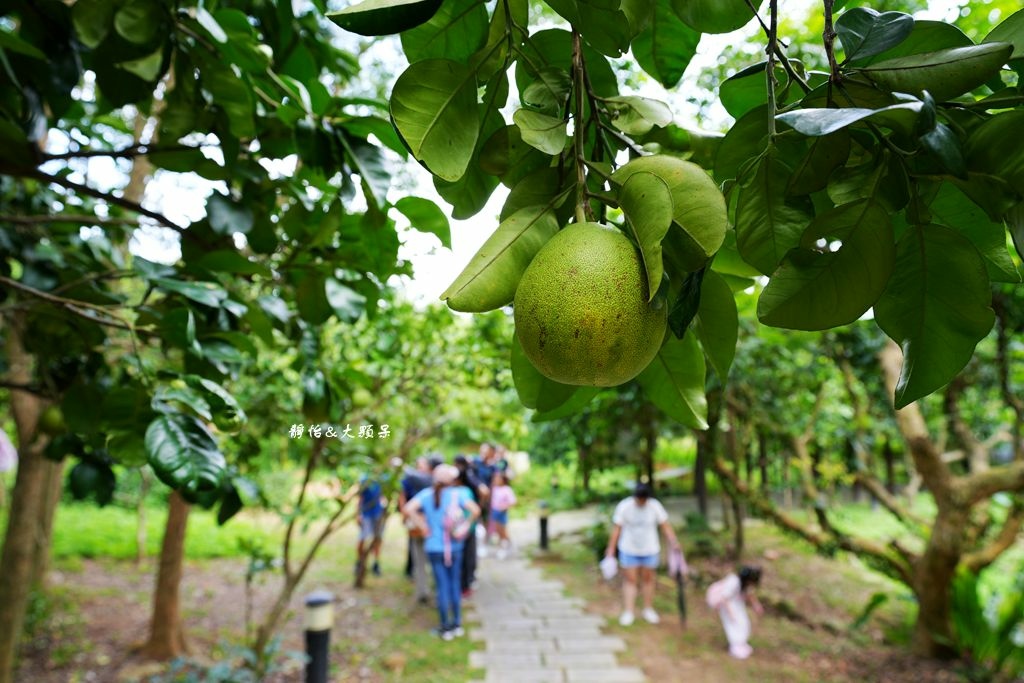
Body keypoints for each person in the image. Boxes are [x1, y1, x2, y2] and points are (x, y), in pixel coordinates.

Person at [404, 464, 481, 640]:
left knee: (442, 586)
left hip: (434, 547)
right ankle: (457, 623)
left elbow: (408, 509)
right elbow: (475, 510)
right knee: (454, 584)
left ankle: (445, 626)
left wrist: (423, 526)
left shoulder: (426, 495)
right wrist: (466, 526)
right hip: (455, 547)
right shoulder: (458, 494)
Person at [604, 482, 681, 626]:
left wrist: (674, 542)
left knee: (648, 579)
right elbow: (617, 529)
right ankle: (629, 611)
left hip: (650, 549)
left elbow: (665, 525)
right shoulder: (625, 506)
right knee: (630, 580)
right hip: (629, 549)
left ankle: (648, 609)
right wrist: (611, 549)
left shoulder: (654, 506)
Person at [706, 565, 764, 659]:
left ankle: (741, 643)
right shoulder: (733, 581)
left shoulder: (743, 584)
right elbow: (724, 598)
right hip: (728, 605)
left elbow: (750, 595)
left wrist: (756, 606)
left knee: (743, 623)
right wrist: (731, 613)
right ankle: (735, 646)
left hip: (737, 603)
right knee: (734, 624)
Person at [398, 456, 434, 603]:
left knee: (428, 558)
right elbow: (403, 497)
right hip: (418, 524)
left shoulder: (429, 481)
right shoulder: (418, 481)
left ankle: (427, 587)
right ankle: (422, 590)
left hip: (426, 524)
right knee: (418, 556)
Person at [454, 454, 488, 596]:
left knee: (465, 555)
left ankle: (464, 584)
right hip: (468, 522)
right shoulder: (471, 476)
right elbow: (484, 491)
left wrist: (479, 508)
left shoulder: (465, 481)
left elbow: (484, 491)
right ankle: (466, 583)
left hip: (462, 524)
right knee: (469, 554)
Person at [356, 476, 387, 581]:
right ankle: (360, 561)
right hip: (366, 514)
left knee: (377, 539)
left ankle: (376, 563)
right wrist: (359, 513)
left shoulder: (384, 478)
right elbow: (360, 498)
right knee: (362, 538)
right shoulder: (365, 479)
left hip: (377, 514)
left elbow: (383, 496)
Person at [488, 470, 517, 559]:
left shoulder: (507, 489)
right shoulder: (495, 489)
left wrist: (503, 507)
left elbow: (513, 502)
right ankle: (504, 546)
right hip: (495, 511)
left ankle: (506, 546)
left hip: (502, 513)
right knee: (497, 531)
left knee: (503, 531)